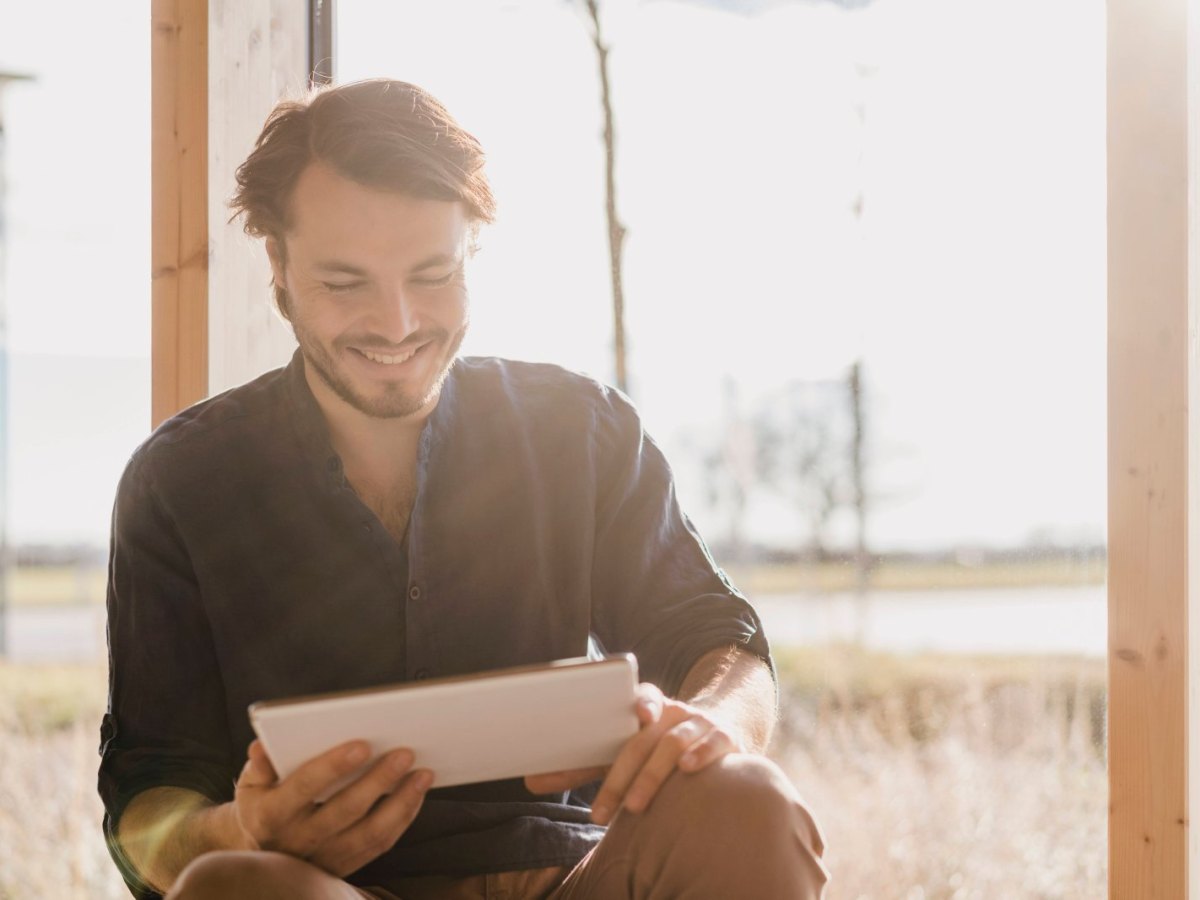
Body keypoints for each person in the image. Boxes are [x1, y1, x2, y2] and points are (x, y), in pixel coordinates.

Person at [99, 78, 828, 900]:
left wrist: (714, 725)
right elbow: (146, 795)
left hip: (579, 876)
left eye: (432, 274)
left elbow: (719, 638)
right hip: (325, 889)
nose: (399, 322)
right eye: (346, 284)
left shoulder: (579, 428)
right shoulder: (181, 478)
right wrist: (244, 829)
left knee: (744, 798)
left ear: (472, 251)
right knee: (235, 884)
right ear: (278, 263)